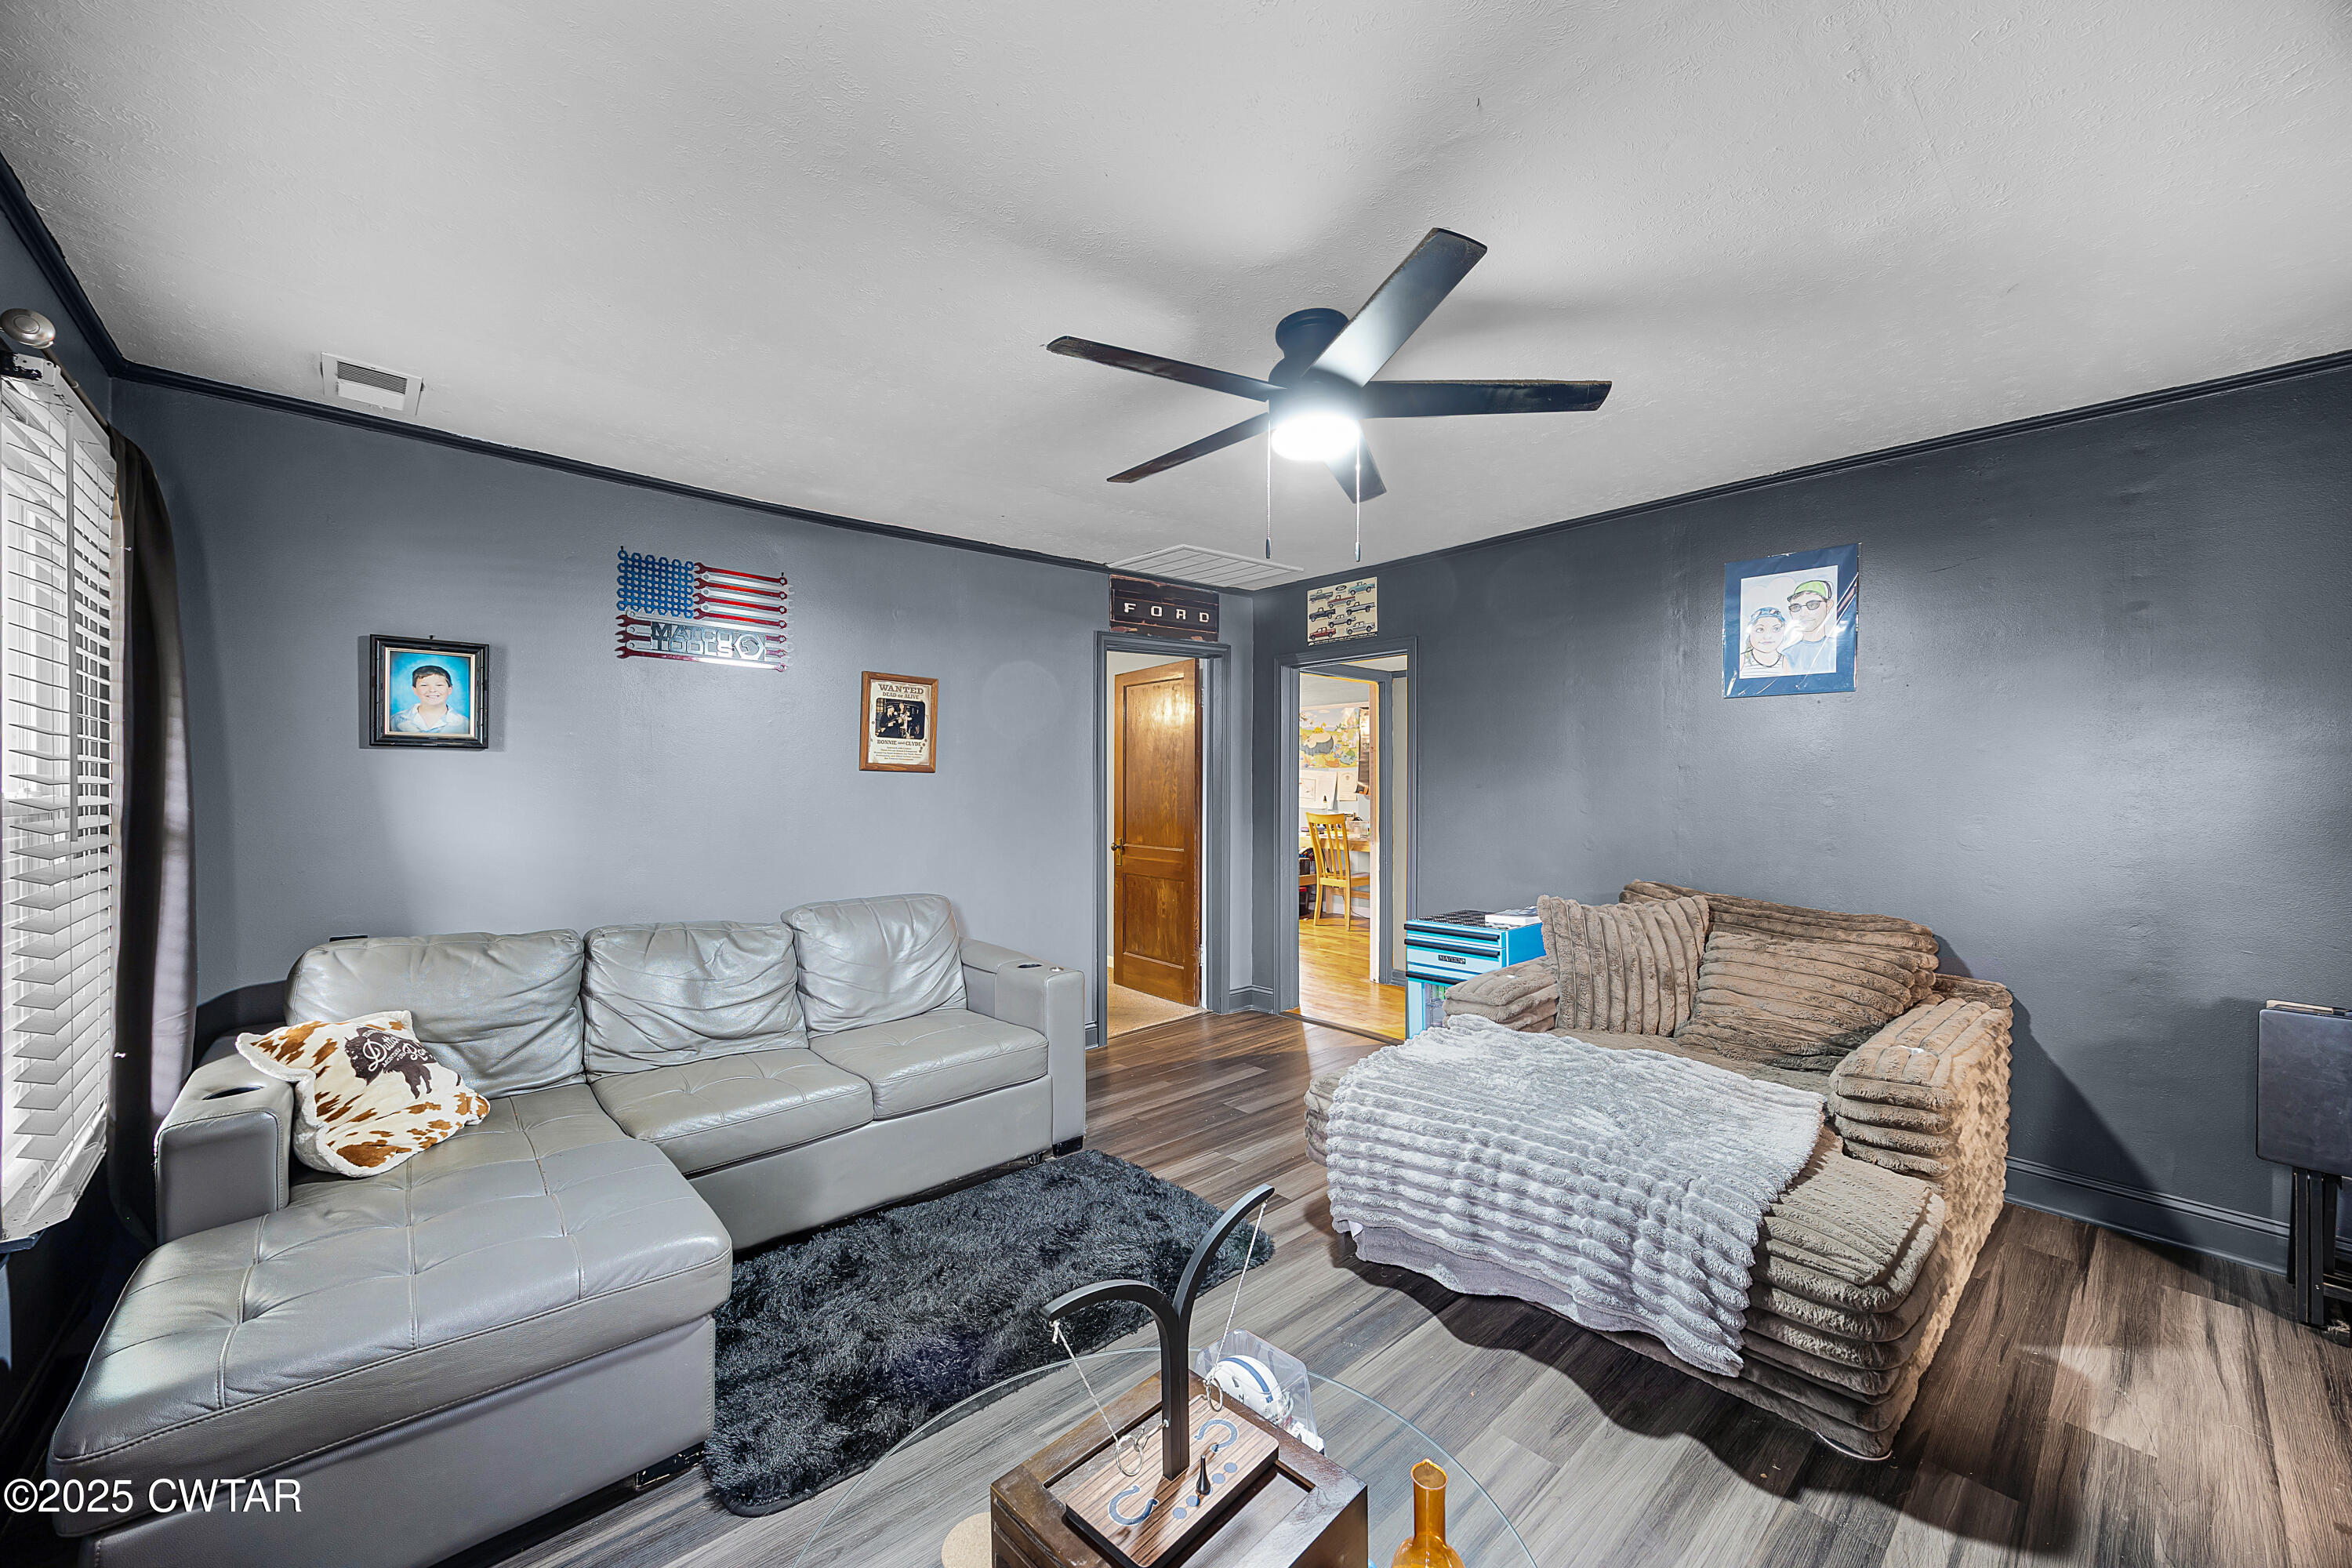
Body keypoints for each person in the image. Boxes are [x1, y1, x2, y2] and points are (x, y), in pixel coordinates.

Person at [1779, 579, 1840, 673]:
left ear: (1828, 605)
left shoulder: (1838, 648)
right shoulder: (1787, 655)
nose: (1803, 613)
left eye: (1812, 605)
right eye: (1796, 607)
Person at [392, 662, 470, 735]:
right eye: (424, 685)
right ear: (415, 690)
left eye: (439, 685)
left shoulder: (466, 724)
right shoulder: (395, 720)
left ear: (450, 690)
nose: (432, 690)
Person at [1740, 605, 1791, 673]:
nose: (1767, 636)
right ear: (1750, 633)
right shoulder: (1742, 659)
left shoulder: (1784, 661)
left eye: (1776, 629)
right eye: (1760, 629)